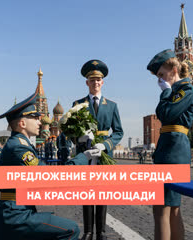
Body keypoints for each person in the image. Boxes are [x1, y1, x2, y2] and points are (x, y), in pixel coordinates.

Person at [0, 92, 102, 240]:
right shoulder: (18, 147)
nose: (40, 122)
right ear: (22, 123)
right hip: (16, 215)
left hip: (16, 210)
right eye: (35, 118)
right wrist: (84, 157)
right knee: (71, 230)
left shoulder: (19, 144)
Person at [147, 49, 193, 240]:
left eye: (161, 75)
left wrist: (166, 91)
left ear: (174, 69)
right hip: (171, 150)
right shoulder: (177, 91)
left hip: (173, 152)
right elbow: (162, 112)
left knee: (162, 210)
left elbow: (165, 113)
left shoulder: (185, 89)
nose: (160, 80)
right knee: (172, 209)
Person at [72, 59, 124, 240]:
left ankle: (101, 232)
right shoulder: (78, 104)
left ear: (102, 82)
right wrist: (79, 137)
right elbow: (70, 131)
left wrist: (106, 144)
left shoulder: (112, 106)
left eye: (98, 80)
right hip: (85, 153)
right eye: (91, 80)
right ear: (87, 82)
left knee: (102, 193)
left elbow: (118, 132)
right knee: (87, 193)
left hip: (103, 155)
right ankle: (87, 231)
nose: (95, 83)